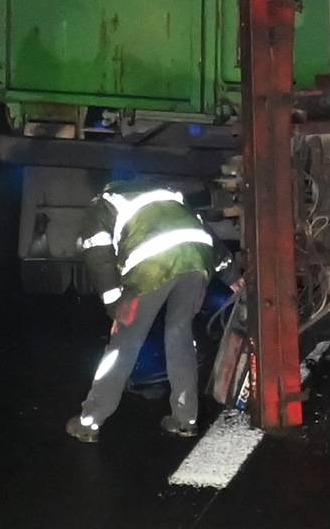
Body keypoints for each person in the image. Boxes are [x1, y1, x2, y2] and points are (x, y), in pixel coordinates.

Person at [66, 179, 217, 442]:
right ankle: (186, 420)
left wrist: (115, 305)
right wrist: (230, 272)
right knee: (180, 335)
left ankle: (89, 422)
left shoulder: (104, 203)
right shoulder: (167, 195)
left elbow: (98, 253)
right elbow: (199, 230)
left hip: (151, 264)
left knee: (124, 344)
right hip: (197, 258)